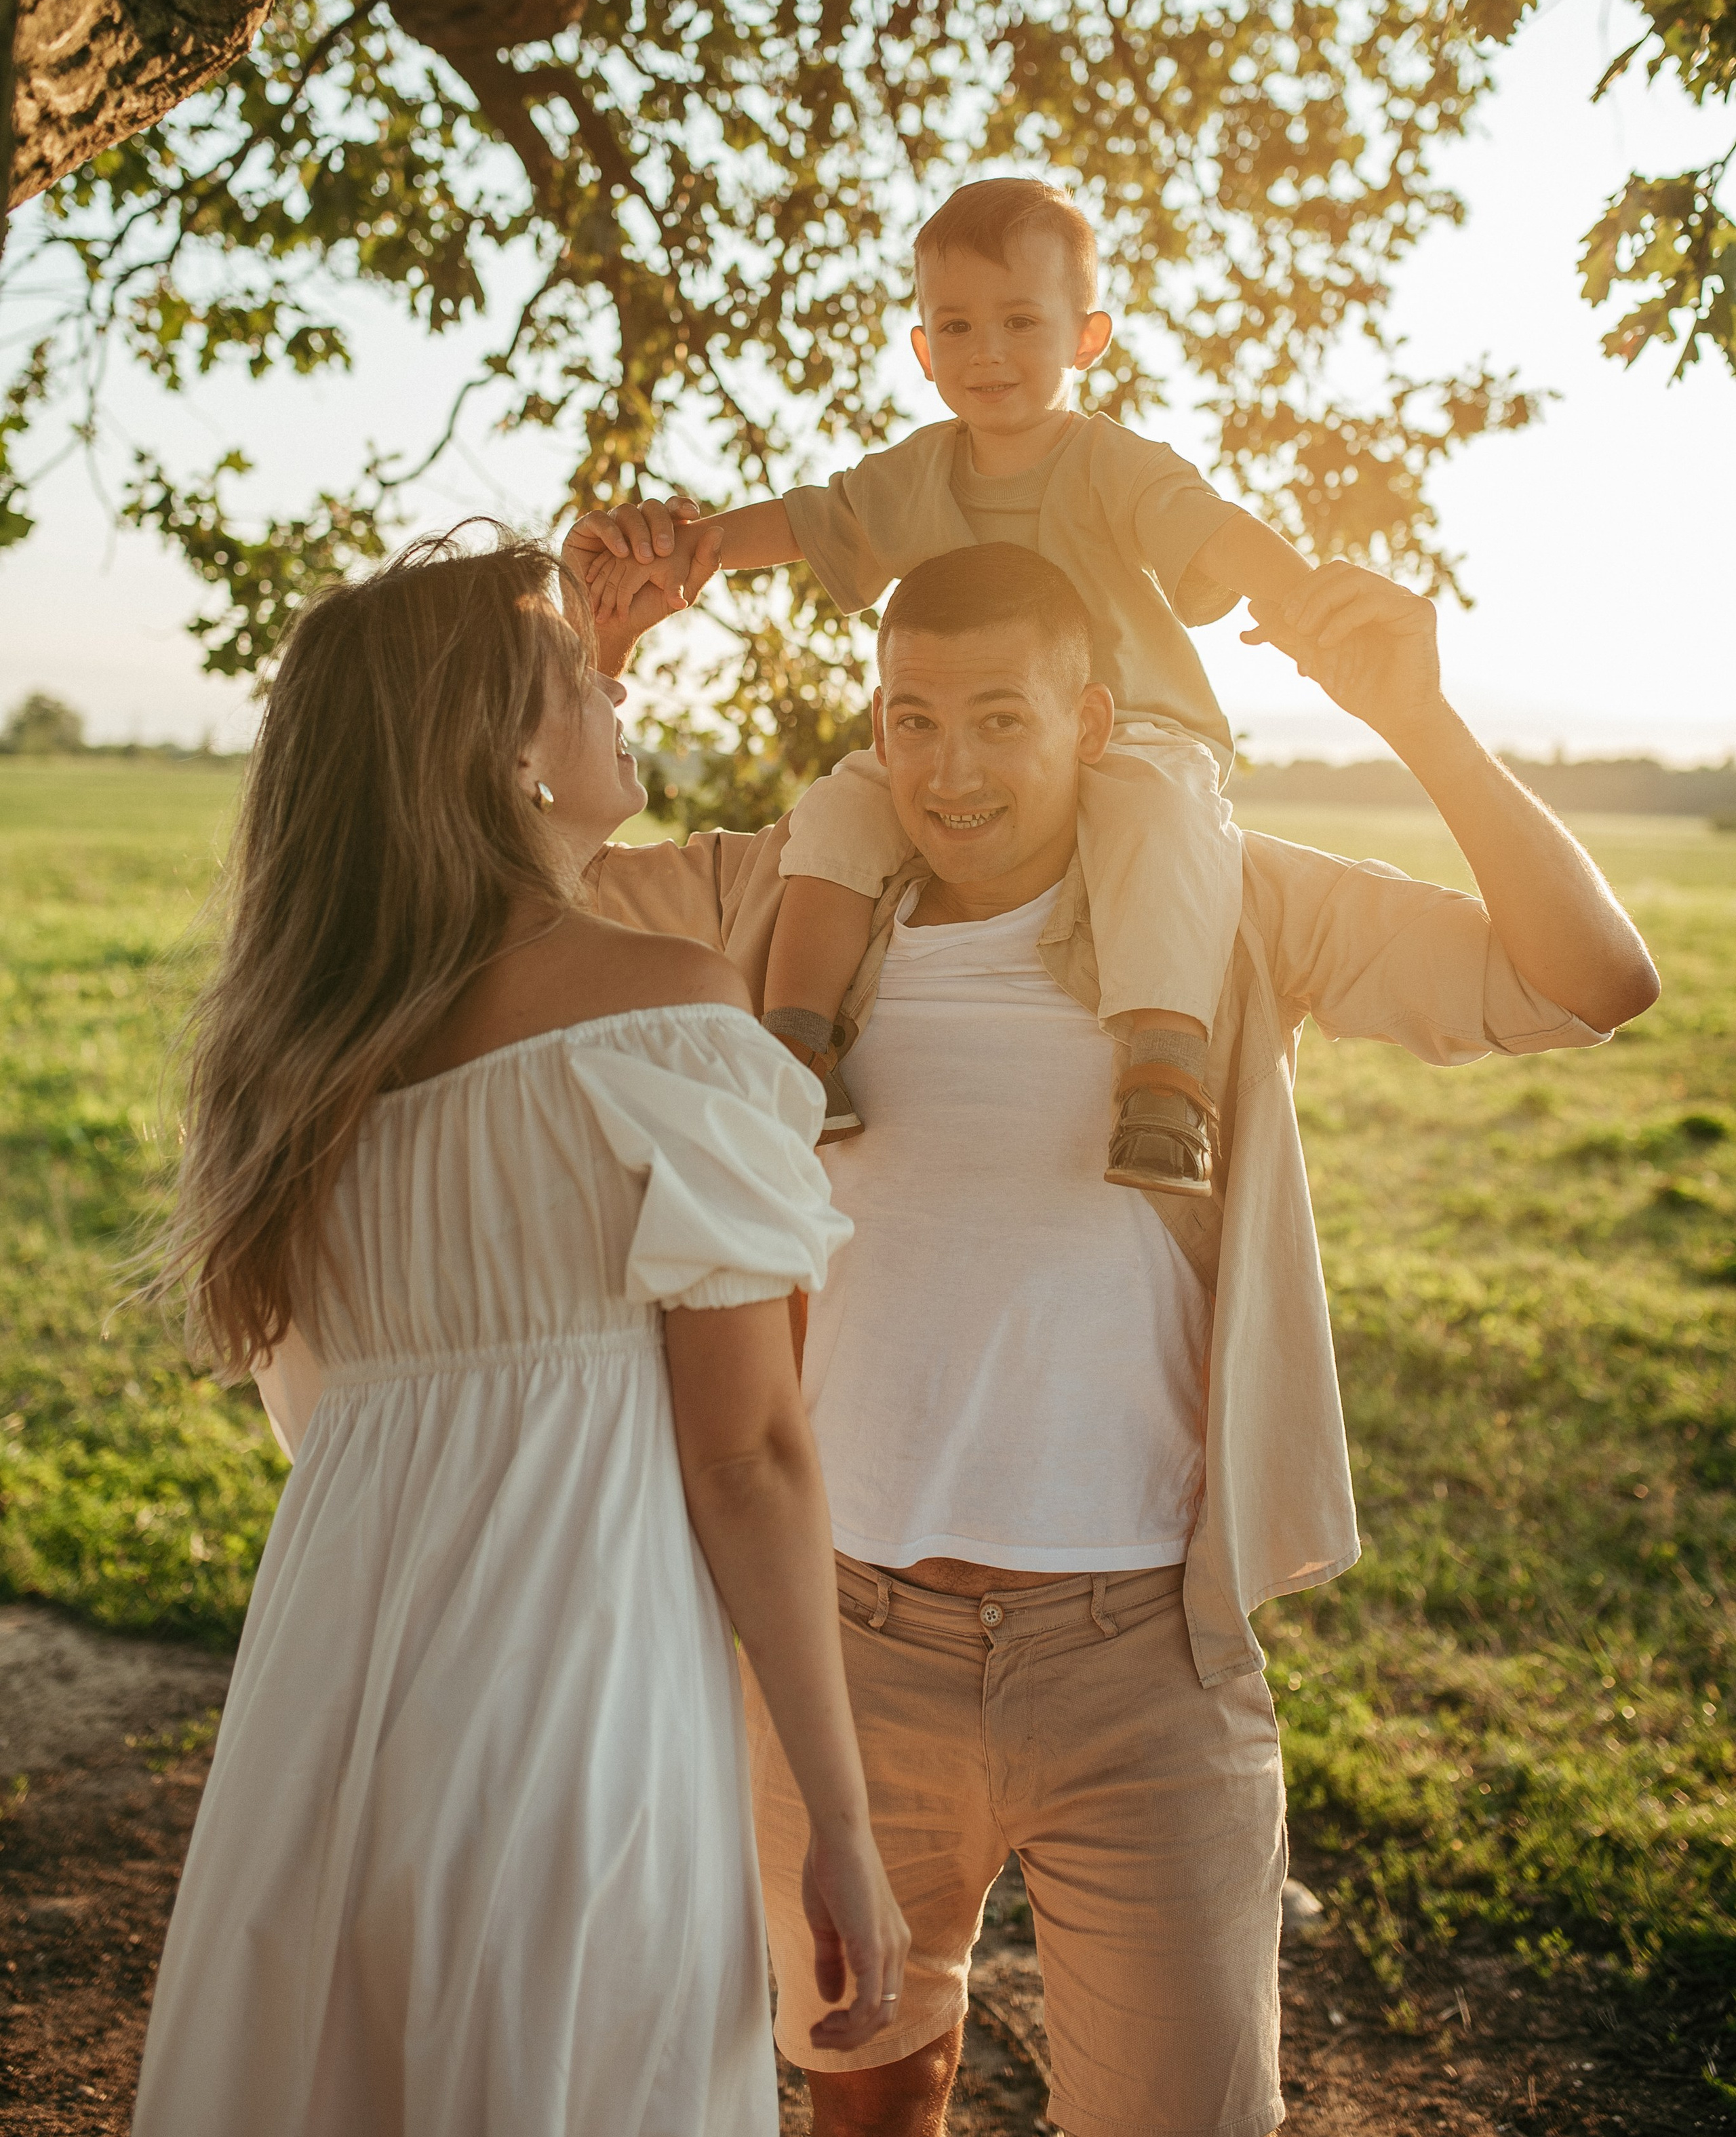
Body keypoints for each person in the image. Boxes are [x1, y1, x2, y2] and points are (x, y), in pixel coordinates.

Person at [570, 531, 1659, 2137]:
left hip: (1143, 1659)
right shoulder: (779, 901)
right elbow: (498, 899)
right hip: (844, 1647)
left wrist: (1420, 723)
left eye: (1001, 717)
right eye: (911, 720)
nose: (950, 770)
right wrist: (592, 662)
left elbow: (1585, 981)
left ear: (1090, 721)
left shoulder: (1226, 900)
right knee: (863, 2103)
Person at [130, 529, 908, 2137]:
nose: (624, 698)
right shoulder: (672, 1015)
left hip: (334, 1695)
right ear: (500, 752)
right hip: (578, 1693)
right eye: (583, 685)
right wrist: (838, 1814)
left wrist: (569, 652)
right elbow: (748, 1455)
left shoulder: (305, 1062)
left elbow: (325, 1411)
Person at [570, 174, 1324, 1196]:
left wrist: (1311, 602)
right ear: (923, 351)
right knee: (838, 811)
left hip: (1136, 727)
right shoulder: (920, 472)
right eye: (957, 327)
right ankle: (797, 1044)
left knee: (1162, 823)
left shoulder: (1115, 465)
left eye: (1022, 322)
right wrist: (693, 548)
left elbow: (1217, 533)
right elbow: (808, 521)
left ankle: (1163, 1071)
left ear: (1087, 338)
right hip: (955, 740)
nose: (990, 353)